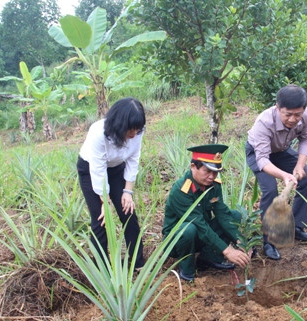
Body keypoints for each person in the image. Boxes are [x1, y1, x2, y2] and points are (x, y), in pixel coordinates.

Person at [246, 84, 307, 260]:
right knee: (270, 190)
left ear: (304, 110)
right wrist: (284, 175)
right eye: (288, 114)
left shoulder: (305, 115)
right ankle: (268, 241)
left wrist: (300, 166)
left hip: (281, 150)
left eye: (297, 115)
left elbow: (306, 139)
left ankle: (297, 228)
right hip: (259, 153)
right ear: (277, 108)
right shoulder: (264, 122)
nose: (293, 119)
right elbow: (262, 160)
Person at [163, 144, 251, 282]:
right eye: (207, 171)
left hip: (201, 234)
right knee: (189, 229)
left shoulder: (213, 185)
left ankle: (208, 258)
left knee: (234, 216)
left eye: (215, 172)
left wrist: (239, 241)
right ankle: (187, 272)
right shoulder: (181, 191)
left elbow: (222, 214)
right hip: (178, 240)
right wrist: (227, 251)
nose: (211, 176)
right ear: (193, 167)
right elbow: (199, 224)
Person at [77, 97, 146, 269]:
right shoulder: (98, 133)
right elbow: (98, 169)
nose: (134, 134)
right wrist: (104, 202)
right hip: (90, 169)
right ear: (120, 124)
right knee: (100, 219)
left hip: (116, 170)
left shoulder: (137, 131)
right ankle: (102, 270)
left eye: (137, 129)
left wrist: (127, 192)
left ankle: (137, 264)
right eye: (131, 129)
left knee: (128, 212)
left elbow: (133, 159)